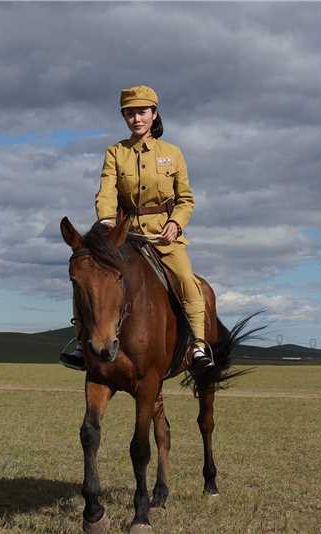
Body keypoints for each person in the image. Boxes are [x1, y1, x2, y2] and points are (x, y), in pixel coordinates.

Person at [60, 84, 213, 371]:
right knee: (88, 276)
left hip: (163, 236)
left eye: (142, 112)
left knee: (185, 278)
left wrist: (175, 223)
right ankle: (82, 342)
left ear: (154, 114)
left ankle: (198, 346)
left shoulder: (173, 153)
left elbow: (186, 199)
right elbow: (106, 190)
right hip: (125, 236)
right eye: (129, 114)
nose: (136, 119)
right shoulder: (115, 152)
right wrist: (106, 220)